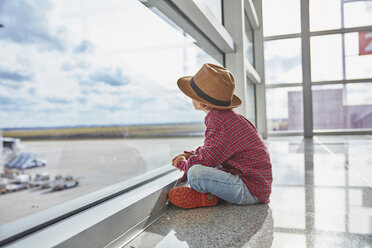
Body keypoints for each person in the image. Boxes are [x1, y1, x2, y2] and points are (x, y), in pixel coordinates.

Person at [168, 63, 272, 209]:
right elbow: (214, 150)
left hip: (250, 191)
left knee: (195, 173)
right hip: (256, 185)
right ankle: (209, 195)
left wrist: (183, 164)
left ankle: (207, 196)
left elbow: (208, 160)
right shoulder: (227, 117)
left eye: (193, 94)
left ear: (202, 102)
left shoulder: (218, 121)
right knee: (207, 166)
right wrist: (192, 154)